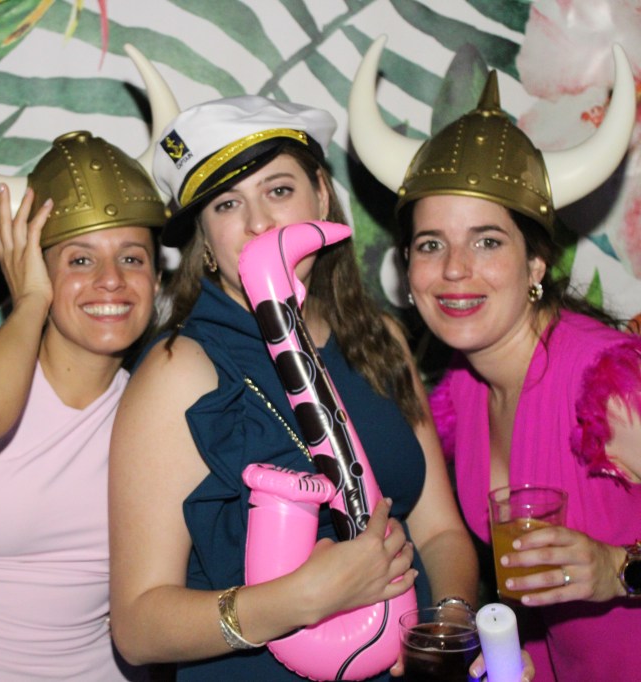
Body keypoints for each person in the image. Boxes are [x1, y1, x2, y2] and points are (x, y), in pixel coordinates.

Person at [107, 94, 481, 681]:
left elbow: (439, 529)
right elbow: (137, 628)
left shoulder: (378, 338)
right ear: (205, 236)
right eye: (228, 204)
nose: (258, 223)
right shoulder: (178, 371)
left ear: (322, 196)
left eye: (278, 190)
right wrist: (299, 599)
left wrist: (450, 625)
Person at [349, 36, 641, 681]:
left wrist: (620, 569)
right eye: (431, 244)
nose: (455, 270)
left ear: (535, 263)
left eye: (486, 241)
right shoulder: (463, 391)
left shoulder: (609, 387)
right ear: (408, 268)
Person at [0, 49, 177, 681]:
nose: (111, 279)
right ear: (34, 267)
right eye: (79, 259)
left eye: (132, 258)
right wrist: (28, 300)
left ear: (156, 277)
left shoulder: (153, 403)